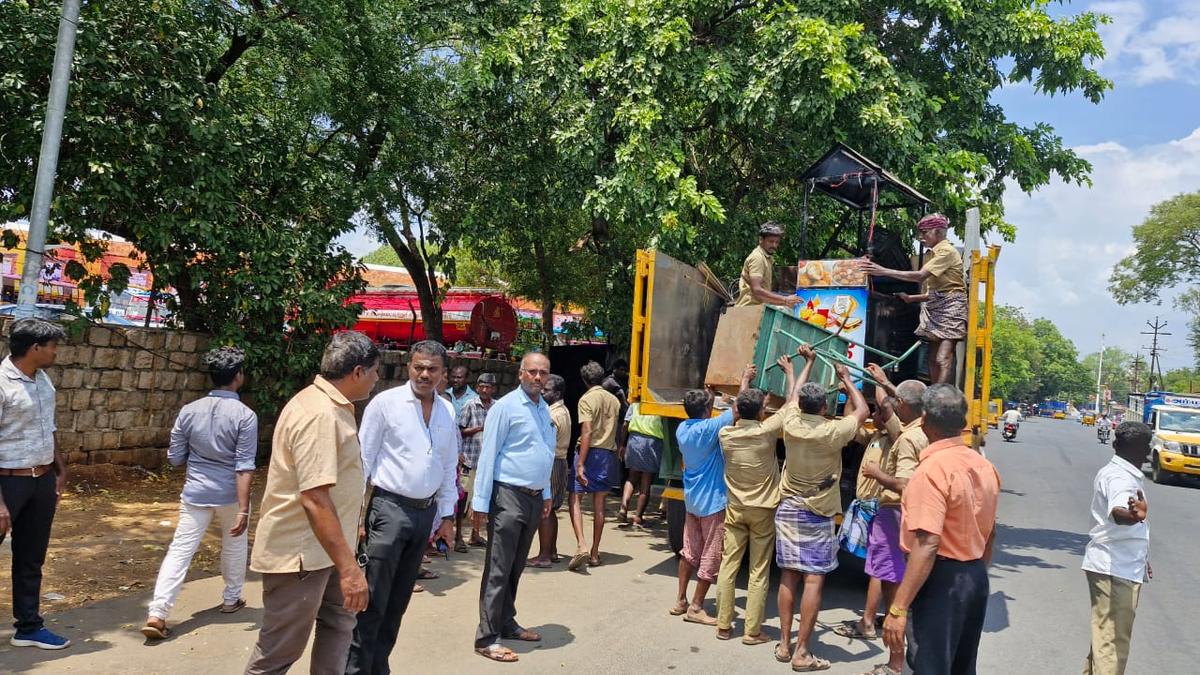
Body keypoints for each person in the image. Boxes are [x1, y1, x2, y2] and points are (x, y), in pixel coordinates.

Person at [244, 332, 379, 675]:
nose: (378, 379)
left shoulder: (332, 406)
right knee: (278, 651)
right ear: (358, 372)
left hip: (330, 549)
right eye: (376, 371)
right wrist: (350, 570)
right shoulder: (320, 413)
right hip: (301, 555)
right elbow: (315, 498)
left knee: (339, 625)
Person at [346, 340, 459, 675]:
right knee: (372, 602)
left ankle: (379, 667)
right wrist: (357, 518)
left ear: (443, 374)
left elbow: (447, 464)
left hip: (425, 515)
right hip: (388, 510)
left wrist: (448, 516)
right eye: (418, 367)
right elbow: (362, 462)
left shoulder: (447, 410)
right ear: (409, 366)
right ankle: (355, 670)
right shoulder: (386, 404)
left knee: (397, 604)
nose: (424, 374)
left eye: (432, 369)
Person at [883, 384, 1000, 675]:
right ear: (962, 423)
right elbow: (991, 532)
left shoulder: (932, 471)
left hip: (941, 580)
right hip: (973, 576)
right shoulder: (983, 466)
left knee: (930, 665)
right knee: (962, 666)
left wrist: (898, 608)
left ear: (923, 422)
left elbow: (927, 543)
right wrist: (972, 572)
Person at [143, 347, 257, 641]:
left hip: (195, 492)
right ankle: (231, 600)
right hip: (230, 494)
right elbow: (244, 466)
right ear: (238, 377)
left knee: (180, 550)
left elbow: (175, 457)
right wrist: (244, 509)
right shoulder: (245, 415)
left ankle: (158, 613)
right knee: (234, 544)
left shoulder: (188, 411)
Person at [775, 357, 869, 671]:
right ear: (825, 408)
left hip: (788, 507)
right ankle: (802, 652)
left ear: (800, 405)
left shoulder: (789, 422)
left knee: (789, 574)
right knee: (813, 580)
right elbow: (863, 412)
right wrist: (847, 378)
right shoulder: (833, 431)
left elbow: (791, 398)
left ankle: (785, 645)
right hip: (817, 512)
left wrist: (800, 368)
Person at [835, 365, 927, 675]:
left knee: (883, 571)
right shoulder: (874, 435)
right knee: (877, 567)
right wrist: (848, 389)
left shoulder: (899, 436)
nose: (876, 412)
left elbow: (888, 408)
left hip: (882, 506)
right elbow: (854, 416)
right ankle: (874, 623)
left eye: (882, 410)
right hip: (869, 507)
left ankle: (875, 627)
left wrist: (881, 383)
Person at [471, 352, 556, 663]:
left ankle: (506, 622)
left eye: (543, 373)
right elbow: (488, 454)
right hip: (507, 495)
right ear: (521, 374)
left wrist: (546, 493)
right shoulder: (506, 408)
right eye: (532, 371)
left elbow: (544, 454)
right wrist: (479, 502)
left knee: (517, 565)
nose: (537, 377)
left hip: (534, 498)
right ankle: (486, 636)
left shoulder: (542, 410)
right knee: (499, 567)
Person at [714, 355, 797, 645]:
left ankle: (724, 626)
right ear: (763, 412)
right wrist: (790, 372)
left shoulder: (726, 434)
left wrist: (745, 381)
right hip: (763, 510)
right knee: (758, 571)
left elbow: (737, 410)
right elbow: (791, 404)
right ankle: (752, 631)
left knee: (728, 566)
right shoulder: (766, 432)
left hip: (735, 508)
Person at [0, 318, 70, 650]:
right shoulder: (2, 383)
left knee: (31, 558)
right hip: (7, 482)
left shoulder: (43, 380)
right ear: (35, 348)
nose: (56, 352)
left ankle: (28, 626)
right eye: (53, 346)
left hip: (40, 480)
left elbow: (49, 427)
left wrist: (59, 468)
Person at [670, 376, 745, 626]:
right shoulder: (710, 428)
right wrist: (744, 379)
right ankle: (696, 606)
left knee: (689, 552)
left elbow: (707, 414)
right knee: (712, 556)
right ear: (705, 411)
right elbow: (738, 409)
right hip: (713, 504)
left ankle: (680, 599)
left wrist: (709, 396)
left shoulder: (683, 429)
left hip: (692, 502)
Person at [859, 213, 967, 384]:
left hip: (951, 308)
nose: (921, 237)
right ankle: (934, 393)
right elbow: (936, 291)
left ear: (938, 233)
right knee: (931, 359)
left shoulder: (946, 251)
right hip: (936, 306)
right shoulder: (934, 253)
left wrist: (882, 270)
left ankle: (940, 396)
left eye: (925, 233)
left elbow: (919, 276)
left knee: (942, 358)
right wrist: (911, 298)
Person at [1081, 421, 1153, 675]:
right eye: (1145, 446)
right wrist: (1136, 515)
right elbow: (1119, 512)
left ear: (1115, 445)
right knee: (1112, 642)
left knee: (1104, 639)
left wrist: (1142, 556)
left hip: (1119, 563)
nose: (1147, 453)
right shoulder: (1120, 477)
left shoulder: (1117, 471)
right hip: (1115, 569)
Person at [567, 361, 622, 571]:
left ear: (584, 380)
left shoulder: (586, 399)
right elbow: (618, 428)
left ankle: (581, 544)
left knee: (575, 497)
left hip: (589, 452)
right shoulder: (613, 400)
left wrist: (580, 462)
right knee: (600, 504)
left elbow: (587, 431)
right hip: (607, 453)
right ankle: (595, 553)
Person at [528, 374, 571, 568]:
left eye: (547, 390)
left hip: (552, 463)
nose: (542, 393)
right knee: (550, 509)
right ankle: (550, 551)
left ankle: (544, 555)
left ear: (557, 393)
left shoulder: (553, 414)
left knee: (544, 509)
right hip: (558, 461)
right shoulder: (561, 410)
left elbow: (544, 442)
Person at [457, 372, 497, 551]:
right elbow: (461, 431)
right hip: (470, 459)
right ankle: (458, 536)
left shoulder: (497, 407)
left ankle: (475, 534)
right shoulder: (470, 405)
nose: (484, 389)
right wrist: (481, 428)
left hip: (488, 462)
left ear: (493, 389)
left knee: (481, 499)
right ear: (477, 387)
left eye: (488, 387)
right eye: (481, 386)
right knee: (462, 498)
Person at [735, 222, 804, 308]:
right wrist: (785, 300)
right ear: (761, 240)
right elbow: (756, 290)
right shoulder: (758, 258)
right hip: (749, 309)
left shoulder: (766, 258)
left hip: (758, 307)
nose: (774, 245)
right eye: (771, 241)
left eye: (777, 242)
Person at [618, 401, 664, 529]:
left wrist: (622, 444)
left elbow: (625, 424)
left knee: (632, 477)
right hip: (652, 442)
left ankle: (624, 507)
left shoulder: (635, 404)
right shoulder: (661, 405)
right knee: (646, 482)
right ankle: (638, 517)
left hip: (634, 440)